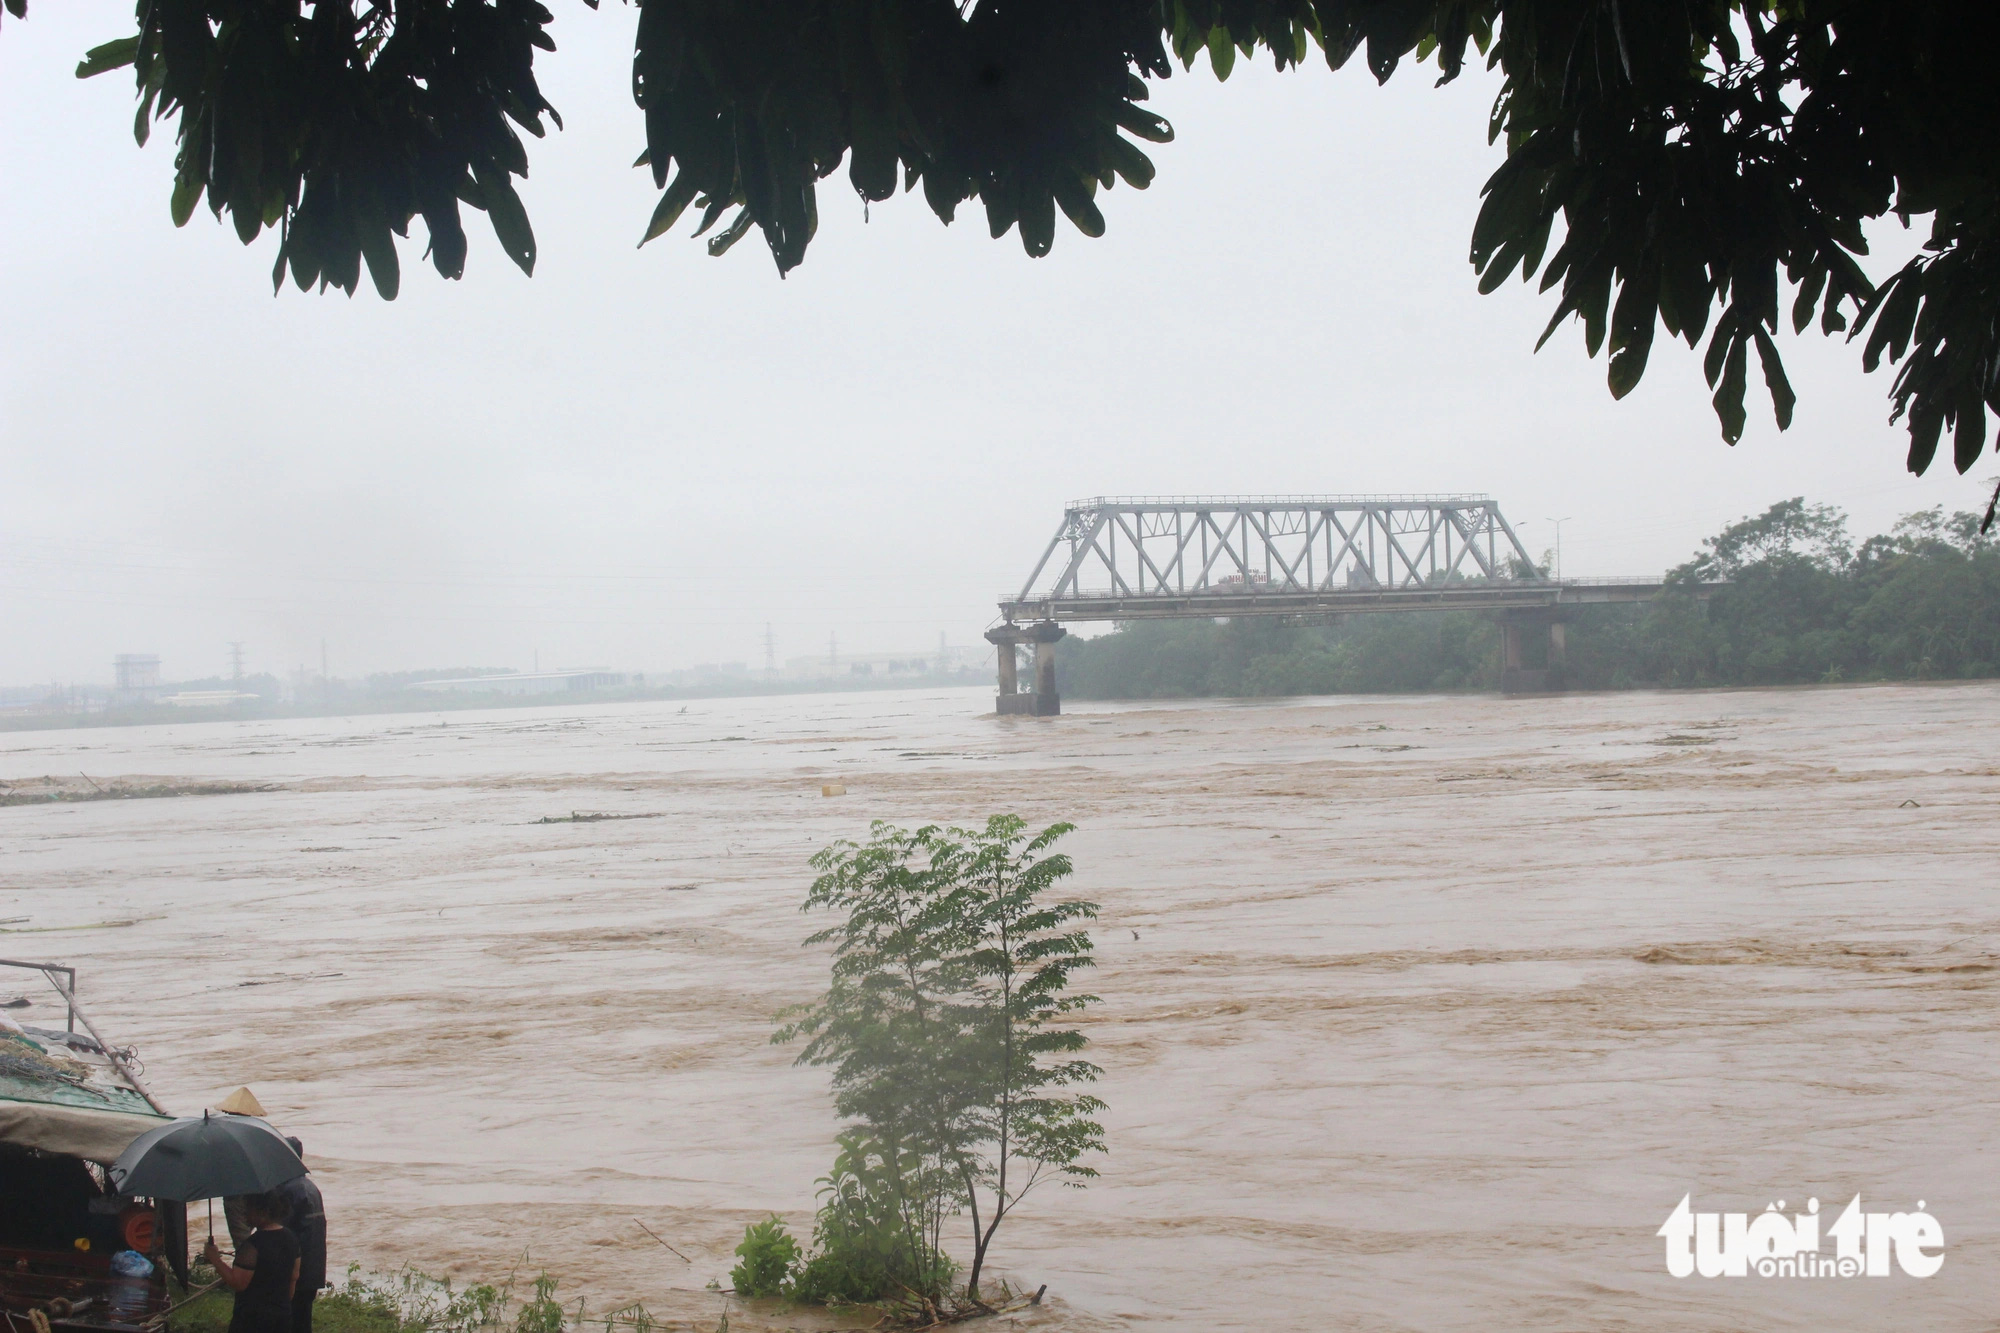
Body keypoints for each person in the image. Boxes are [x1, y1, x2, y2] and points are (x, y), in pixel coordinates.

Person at [201, 1191, 300, 1333]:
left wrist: (215, 1259)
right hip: (282, 1316)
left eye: (248, 1209)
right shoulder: (291, 1238)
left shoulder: (252, 1245)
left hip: (252, 1319)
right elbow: (294, 1277)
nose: (245, 1214)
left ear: (262, 1212)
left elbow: (238, 1283)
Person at [275, 1138, 327, 1333]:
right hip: (313, 1266)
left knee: (289, 1321)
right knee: (303, 1319)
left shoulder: (289, 1190)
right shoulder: (310, 1187)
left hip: (296, 1269)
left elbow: (281, 1233)